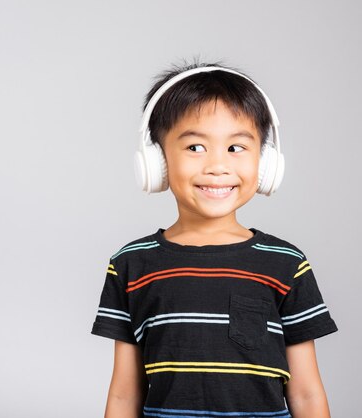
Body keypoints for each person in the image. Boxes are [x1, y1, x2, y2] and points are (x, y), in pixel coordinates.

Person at [90, 60, 338, 418]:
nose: (217, 166)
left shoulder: (286, 263)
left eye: (236, 148)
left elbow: (307, 393)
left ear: (265, 162)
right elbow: (124, 395)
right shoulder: (131, 263)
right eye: (195, 148)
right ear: (157, 161)